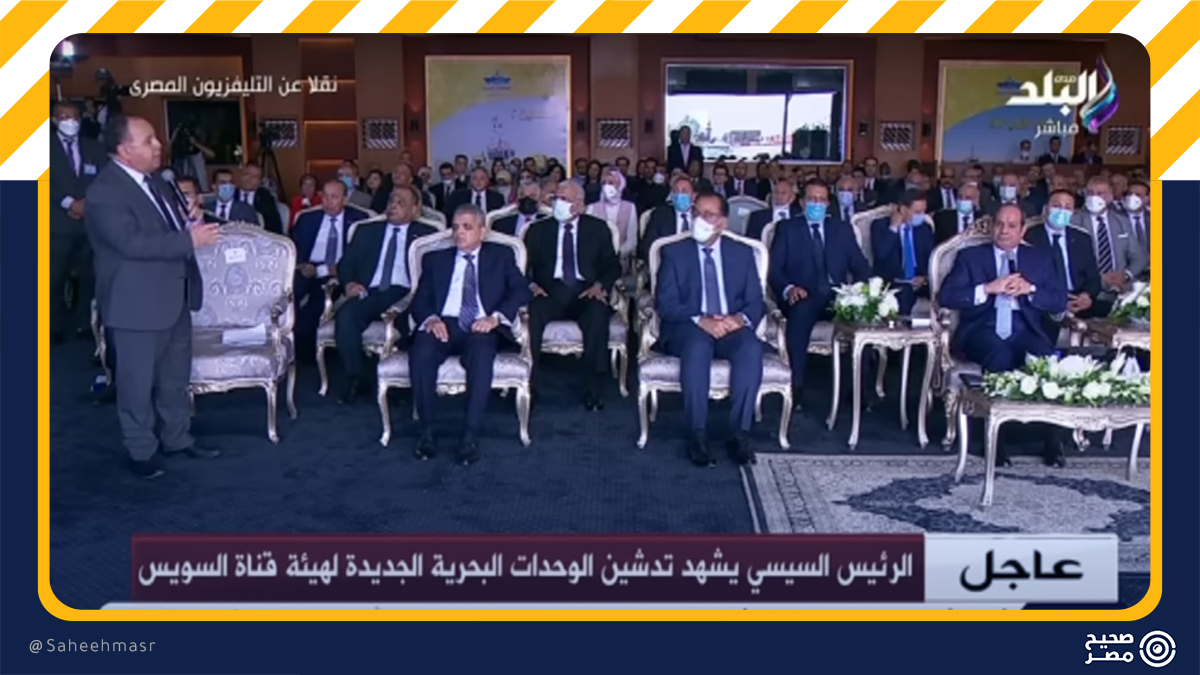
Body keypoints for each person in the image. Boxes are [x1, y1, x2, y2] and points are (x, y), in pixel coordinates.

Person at [85, 115, 222, 479]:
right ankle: (141, 451)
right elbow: (131, 243)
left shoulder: (157, 181)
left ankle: (177, 438)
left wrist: (189, 220)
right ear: (124, 150)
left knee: (175, 378)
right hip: (136, 304)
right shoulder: (105, 191)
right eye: (148, 141)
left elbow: (166, 228)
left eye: (156, 139)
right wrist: (189, 239)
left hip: (174, 295)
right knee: (136, 383)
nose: (158, 145)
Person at [937, 203, 1068, 466]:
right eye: (999, 224)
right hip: (982, 328)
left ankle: (1052, 441)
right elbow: (947, 296)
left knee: (1046, 359)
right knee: (998, 356)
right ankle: (995, 441)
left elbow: (1059, 300)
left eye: (1011, 226)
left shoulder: (1040, 259)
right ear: (991, 226)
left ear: (1022, 230)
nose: (1004, 231)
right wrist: (987, 288)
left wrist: (1030, 289)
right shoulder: (971, 256)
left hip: (1024, 328)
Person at [408, 204, 531, 465]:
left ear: (482, 231)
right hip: (444, 323)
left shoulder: (501, 255)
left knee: (482, 353)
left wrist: (495, 317)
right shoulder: (435, 259)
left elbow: (521, 290)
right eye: (455, 227)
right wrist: (431, 320)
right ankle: (427, 432)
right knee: (422, 350)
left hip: (481, 324)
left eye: (467, 227)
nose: (459, 233)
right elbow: (420, 299)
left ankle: (470, 435)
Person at [655, 191, 763, 467]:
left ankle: (740, 434)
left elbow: (755, 300)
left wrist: (739, 320)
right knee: (698, 346)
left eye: (708, 214)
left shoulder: (742, 253)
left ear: (723, 222)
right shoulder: (674, 253)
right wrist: (701, 320)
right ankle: (697, 434)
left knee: (750, 348)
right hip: (689, 325)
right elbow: (666, 303)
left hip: (730, 324)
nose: (699, 219)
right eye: (696, 213)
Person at [768, 179, 871, 408]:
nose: (817, 204)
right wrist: (789, 288)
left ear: (827, 203)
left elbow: (860, 266)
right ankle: (796, 387)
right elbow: (774, 269)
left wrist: (861, 291)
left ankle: (858, 390)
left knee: (862, 318)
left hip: (838, 295)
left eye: (822, 200)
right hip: (803, 294)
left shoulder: (841, 229)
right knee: (801, 313)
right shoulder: (787, 229)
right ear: (802, 203)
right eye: (812, 199)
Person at [333, 185, 438, 403]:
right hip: (370, 291)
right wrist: (350, 283)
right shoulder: (366, 231)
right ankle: (358, 377)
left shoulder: (427, 235)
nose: (393, 206)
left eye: (401, 203)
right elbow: (346, 264)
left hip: (408, 294)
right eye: (391, 201)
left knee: (412, 324)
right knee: (346, 316)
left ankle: (403, 384)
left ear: (414, 209)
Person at [526, 181, 620, 409]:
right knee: (533, 312)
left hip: (585, 292)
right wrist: (530, 285)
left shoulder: (598, 228)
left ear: (579, 204)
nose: (558, 203)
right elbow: (521, 267)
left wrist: (600, 285)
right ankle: (529, 384)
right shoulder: (538, 230)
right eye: (556, 198)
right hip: (549, 292)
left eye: (564, 199)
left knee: (597, 313)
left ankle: (593, 389)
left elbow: (612, 265)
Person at [291, 180, 373, 364]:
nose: (328, 202)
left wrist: (340, 269)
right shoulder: (307, 218)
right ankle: (283, 345)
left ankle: (307, 358)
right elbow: (293, 248)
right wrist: (301, 265)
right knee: (289, 296)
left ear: (344, 199)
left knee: (315, 305)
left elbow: (363, 255)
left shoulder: (359, 220)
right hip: (308, 269)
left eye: (334, 197)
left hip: (337, 271)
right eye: (325, 197)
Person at [50, 100, 107, 344]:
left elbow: (105, 179)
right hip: (56, 225)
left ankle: (85, 325)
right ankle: (52, 326)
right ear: (54, 120)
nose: (70, 122)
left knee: (89, 278)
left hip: (89, 224)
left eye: (74, 117)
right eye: (64, 117)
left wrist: (86, 204)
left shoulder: (94, 147)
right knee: (53, 278)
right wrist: (68, 203)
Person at [1025, 190, 1103, 337]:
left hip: (1077, 298)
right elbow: (1028, 280)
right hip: (1045, 301)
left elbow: (1093, 278)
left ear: (1073, 213)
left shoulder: (1082, 238)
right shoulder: (1029, 237)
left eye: (1067, 207)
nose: (1061, 211)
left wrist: (1086, 296)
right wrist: (1058, 303)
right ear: (1046, 209)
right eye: (1056, 205)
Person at [1072, 176, 1147, 309]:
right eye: (1090, 193)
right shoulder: (1074, 222)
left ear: (1110, 197)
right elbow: (1071, 262)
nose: (1094, 197)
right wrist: (1101, 278)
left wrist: (1126, 275)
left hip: (1122, 290)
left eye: (1100, 193)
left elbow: (1139, 256)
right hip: (1086, 293)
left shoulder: (1122, 221)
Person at [871, 190, 934, 316]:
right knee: (905, 294)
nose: (921, 216)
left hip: (920, 281)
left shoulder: (924, 228)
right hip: (895, 281)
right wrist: (893, 228)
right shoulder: (880, 226)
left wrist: (925, 278)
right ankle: (903, 328)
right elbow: (881, 254)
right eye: (917, 212)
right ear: (904, 209)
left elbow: (932, 258)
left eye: (924, 211)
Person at [585, 167, 639, 259]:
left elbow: (632, 239)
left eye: (611, 183)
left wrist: (619, 253)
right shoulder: (592, 208)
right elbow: (588, 238)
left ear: (620, 185)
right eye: (604, 183)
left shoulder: (630, 207)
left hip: (621, 257)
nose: (607, 186)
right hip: (597, 258)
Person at [639, 174, 697, 261]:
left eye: (684, 191)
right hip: (667, 262)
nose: (680, 195)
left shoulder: (701, 215)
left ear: (693, 195)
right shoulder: (660, 215)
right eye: (676, 191)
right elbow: (647, 246)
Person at [745, 177, 801, 242]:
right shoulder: (757, 217)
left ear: (792, 197)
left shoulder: (799, 216)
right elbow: (750, 243)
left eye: (783, 193)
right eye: (776, 192)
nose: (779, 196)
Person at [236, 163, 284, 234]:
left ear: (259, 182)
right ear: (240, 176)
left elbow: (273, 224)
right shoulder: (231, 194)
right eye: (247, 174)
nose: (249, 179)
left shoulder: (265, 197)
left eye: (254, 176)